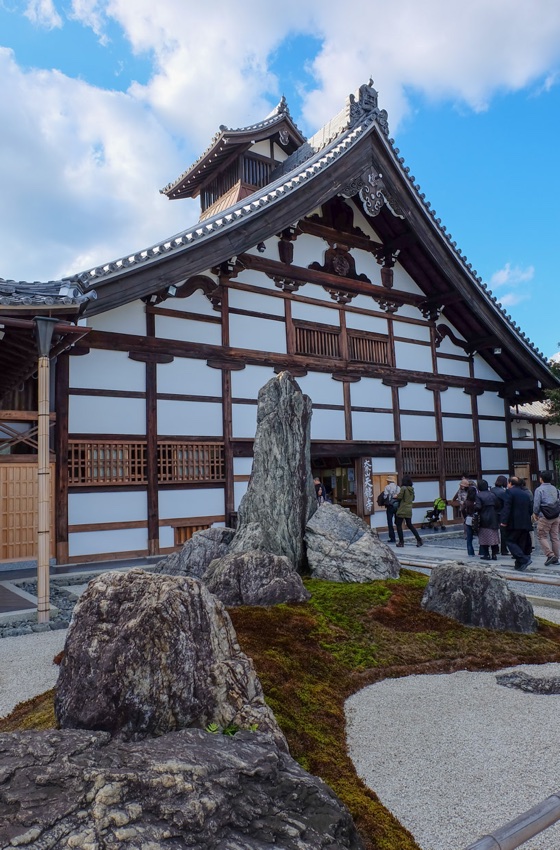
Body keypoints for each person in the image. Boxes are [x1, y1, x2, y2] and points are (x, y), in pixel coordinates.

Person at [500, 476, 534, 571]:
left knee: (510, 541)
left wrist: (503, 521)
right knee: (521, 543)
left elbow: (507, 508)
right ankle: (518, 564)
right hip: (525, 521)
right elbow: (530, 509)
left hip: (513, 522)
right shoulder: (526, 494)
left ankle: (523, 559)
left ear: (510, 483)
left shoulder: (509, 492)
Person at [532, 470, 560, 566]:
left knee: (542, 536)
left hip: (545, 515)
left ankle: (550, 555)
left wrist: (535, 513)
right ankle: (556, 558)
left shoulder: (539, 490)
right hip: (556, 515)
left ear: (541, 479)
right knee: (555, 537)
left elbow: (536, 504)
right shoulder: (555, 489)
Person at [475, 479, 500, 560]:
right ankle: (494, 554)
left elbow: (478, 507)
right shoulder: (492, 494)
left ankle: (486, 554)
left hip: (484, 518)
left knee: (484, 537)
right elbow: (497, 505)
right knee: (494, 537)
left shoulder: (479, 495)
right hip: (493, 517)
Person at [395, 476, 423, 547]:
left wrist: (396, 496)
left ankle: (401, 542)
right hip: (409, 509)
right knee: (409, 525)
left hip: (402, 509)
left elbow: (399, 497)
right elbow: (413, 498)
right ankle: (419, 539)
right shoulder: (412, 489)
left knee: (398, 525)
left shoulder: (403, 488)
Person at [491, 475, 508, 555]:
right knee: (503, 532)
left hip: (493, 512)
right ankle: (504, 549)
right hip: (501, 512)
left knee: (494, 531)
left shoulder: (491, 490)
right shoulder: (503, 492)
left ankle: (495, 548)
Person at [462, 483, 478, 558]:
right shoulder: (477, 500)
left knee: (469, 537)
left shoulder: (467, 501)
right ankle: (482, 550)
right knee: (480, 535)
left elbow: (462, 509)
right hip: (477, 518)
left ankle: (470, 552)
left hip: (469, 518)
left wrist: (465, 516)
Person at [382, 477, 400, 543]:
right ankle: (400, 536)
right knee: (398, 522)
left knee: (390, 522)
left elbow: (385, 496)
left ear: (388, 481)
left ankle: (392, 538)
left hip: (390, 506)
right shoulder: (398, 487)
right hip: (397, 506)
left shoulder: (387, 487)